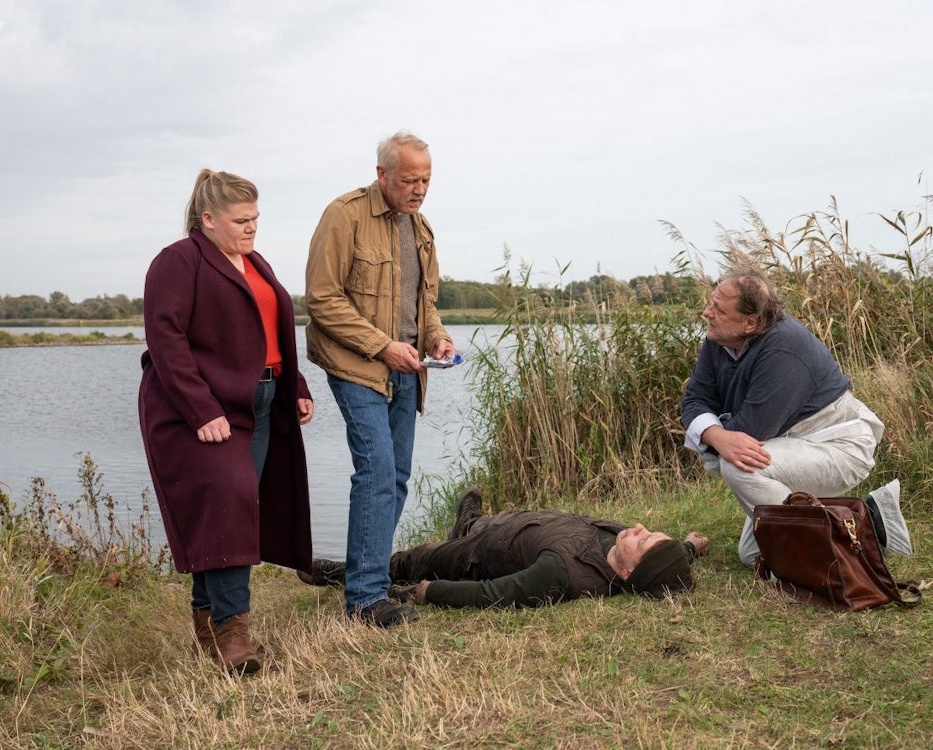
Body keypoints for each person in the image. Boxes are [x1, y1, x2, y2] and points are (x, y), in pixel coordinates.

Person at [139, 169, 314, 674]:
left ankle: (208, 626)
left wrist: (293, 386)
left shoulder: (254, 262)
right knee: (230, 511)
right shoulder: (177, 262)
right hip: (198, 410)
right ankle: (233, 634)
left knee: (229, 515)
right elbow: (165, 339)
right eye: (241, 220)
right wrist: (202, 409)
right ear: (208, 218)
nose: (251, 228)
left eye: (256, 218)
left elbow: (272, 332)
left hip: (259, 401)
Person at [304, 131, 456, 628]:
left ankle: (367, 576)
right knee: (375, 470)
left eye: (426, 180)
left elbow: (423, 306)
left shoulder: (422, 229)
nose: (419, 190)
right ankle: (366, 601)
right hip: (357, 366)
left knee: (395, 476)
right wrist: (381, 347)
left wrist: (436, 340)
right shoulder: (342, 216)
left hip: (409, 368)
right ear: (382, 175)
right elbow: (322, 301)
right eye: (410, 179)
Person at [680, 266, 912, 567]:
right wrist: (717, 436)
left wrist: (716, 436)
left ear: (750, 323)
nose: (706, 312)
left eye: (718, 309)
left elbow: (750, 432)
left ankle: (814, 561)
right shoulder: (719, 340)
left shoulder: (784, 348)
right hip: (793, 445)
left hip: (839, 445)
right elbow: (694, 401)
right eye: (711, 302)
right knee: (752, 555)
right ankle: (873, 519)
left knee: (740, 466)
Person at [298, 488, 709, 608]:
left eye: (645, 539)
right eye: (650, 531)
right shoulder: (628, 551)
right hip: (514, 525)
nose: (639, 527)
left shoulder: (564, 575)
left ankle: (337, 573)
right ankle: (470, 520)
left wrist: (427, 591)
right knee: (479, 522)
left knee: (411, 560)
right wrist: (690, 546)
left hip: (480, 556)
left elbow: (494, 594)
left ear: (626, 574)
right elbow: (668, 568)